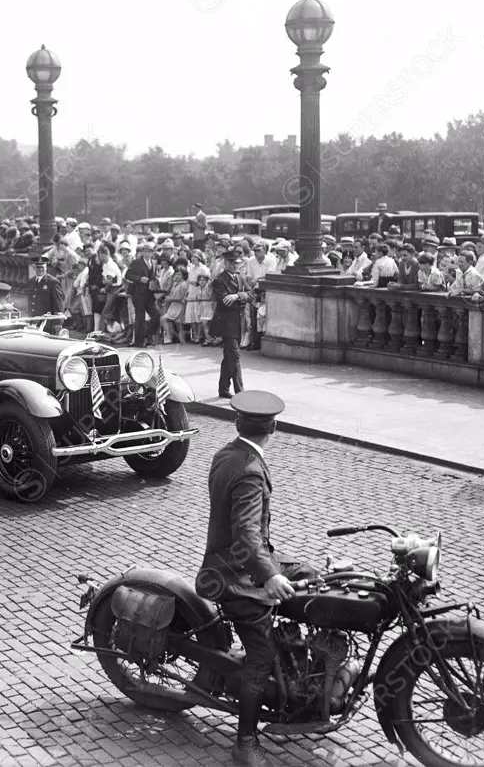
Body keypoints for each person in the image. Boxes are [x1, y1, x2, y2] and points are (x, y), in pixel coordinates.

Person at [195, 391, 321, 767]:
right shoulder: (250, 469)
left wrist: (273, 565)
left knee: (315, 577)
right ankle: (245, 742)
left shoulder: (228, 453)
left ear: (238, 425)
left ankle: (302, 667)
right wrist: (268, 575)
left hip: (241, 559)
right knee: (260, 657)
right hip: (233, 575)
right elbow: (247, 535)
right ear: (274, 428)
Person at [212, 250, 252, 399]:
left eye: (237, 263)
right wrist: (241, 297)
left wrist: (237, 295)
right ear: (226, 263)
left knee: (229, 357)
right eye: (232, 263)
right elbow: (224, 300)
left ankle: (223, 389)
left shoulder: (241, 278)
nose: (235, 266)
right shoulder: (219, 280)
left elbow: (252, 294)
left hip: (239, 322)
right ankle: (239, 392)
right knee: (234, 356)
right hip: (226, 324)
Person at [124, 243, 162, 347]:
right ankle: (139, 342)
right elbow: (128, 275)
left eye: (149, 251)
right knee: (140, 318)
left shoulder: (154, 262)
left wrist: (156, 279)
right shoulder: (137, 262)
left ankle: (147, 335)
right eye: (145, 251)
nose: (147, 253)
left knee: (156, 315)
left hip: (149, 294)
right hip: (138, 294)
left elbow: (152, 276)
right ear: (142, 252)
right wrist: (139, 279)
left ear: (152, 253)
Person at [29, 255, 66, 335]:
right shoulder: (31, 281)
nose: (40, 269)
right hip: (34, 322)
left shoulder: (52, 282)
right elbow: (31, 302)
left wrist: (58, 323)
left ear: (46, 267)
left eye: (42, 267)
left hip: (48, 323)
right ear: (34, 267)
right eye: (38, 267)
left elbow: (58, 302)